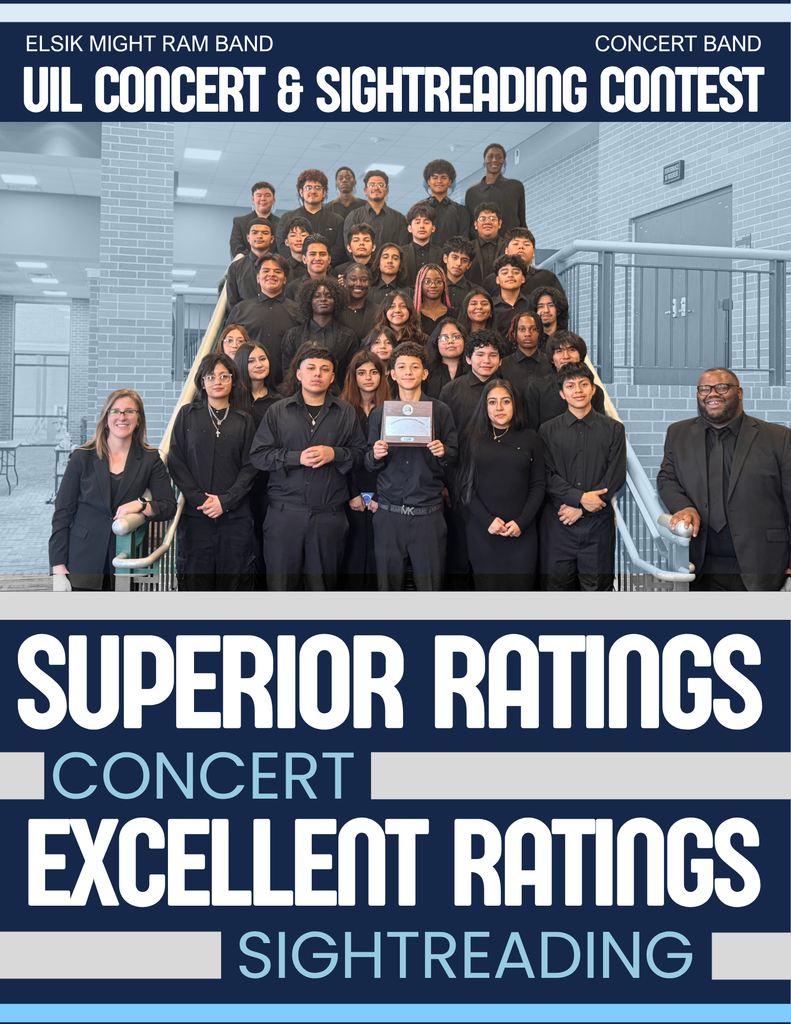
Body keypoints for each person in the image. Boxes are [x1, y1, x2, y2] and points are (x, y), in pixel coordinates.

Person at [657, 367, 791, 592]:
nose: (712, 394)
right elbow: (667, 478)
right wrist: (684, 507)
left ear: (739, 393)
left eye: (721, 387)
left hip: (763, 564)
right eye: (704, 389)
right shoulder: (677, 434)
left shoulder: (779, 438)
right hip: (701, 566)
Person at [249, 343, 366, 591]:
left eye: (325, 369)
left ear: (332, 377)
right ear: (299, 374)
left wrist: (334, 453)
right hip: (284, 515)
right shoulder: (278, 411)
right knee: (281, 589)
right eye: (311, 368)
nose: (317, 374)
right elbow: (259, 456)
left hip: (329, 517)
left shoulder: (345, 411)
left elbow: (359, 455)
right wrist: (296, 458)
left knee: (322, 590)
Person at [50, 389, 176, 591]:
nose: (122, 417)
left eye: (129, 411)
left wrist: (141, 504)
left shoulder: (150, 459)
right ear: (105, 417)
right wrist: (58, 569)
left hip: (125, 558)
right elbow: (62, 514)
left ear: (138, 418)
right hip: (82, 560)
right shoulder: (81, 457)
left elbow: (169, 507)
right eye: (115, 411)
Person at [365, 341, 458, 591]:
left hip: (428, 514)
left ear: (424, 373)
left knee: (431, 589)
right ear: (392, 374)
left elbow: (455, 457)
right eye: (402, 367)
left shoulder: (441, 411)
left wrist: (443, 452)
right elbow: (367, 463)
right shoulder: (379, 414)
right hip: (388, 514)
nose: (408, 372)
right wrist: (375, 455)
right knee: (388, 588)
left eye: (415, 367)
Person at [168, 353, 257, 591]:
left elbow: (250, 467)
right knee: (196, 582)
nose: (217, 381)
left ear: (233, 381)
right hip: (196, 517)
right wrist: (202, 500)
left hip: (235, 518)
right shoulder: (187, 415)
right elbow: (176, 461)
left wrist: (225, 502)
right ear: (202, 382)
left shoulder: (244, 420)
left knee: (235, 582)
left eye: (223, 376)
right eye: (211, 376)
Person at [538, 363, 626, 592]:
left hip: (597, 526)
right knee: (557, 590)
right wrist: (579, 498)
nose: (578, 390)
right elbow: (546, 475)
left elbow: (614, 477)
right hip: (559, 523)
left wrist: (582, 507)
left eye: (583, 384)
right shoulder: (547, 430)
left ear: (593, 389)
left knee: (597, 590)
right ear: (562, 393)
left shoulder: (614, 429)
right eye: (571, 386)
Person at [457, 378, 545, 591]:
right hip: (483, 531)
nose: (499, 408)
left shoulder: (530, 437)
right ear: (484, 406)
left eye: (506, 401)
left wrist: (521, 523)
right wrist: (488, 521)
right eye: (492, 402)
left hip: (521, 532)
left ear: (515, 404)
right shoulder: (472, 437)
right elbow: (465, 486)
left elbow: (538, 484)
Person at [339, 349, 391, 590]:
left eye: (373, 372)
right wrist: (352, 494)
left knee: (379, 559)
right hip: (350, 493)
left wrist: (380, 496)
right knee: (353, 556)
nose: (368, 377)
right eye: (361, 373)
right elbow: (342, 457)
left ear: (382, 375)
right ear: (353, 376)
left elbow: (396, 460)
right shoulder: (342, 410)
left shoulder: (392, 410)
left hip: (386, 495)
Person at [233, 342, 282, 589]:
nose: (259, 365)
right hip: (235, 481)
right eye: (251, 360)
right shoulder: (230, 400)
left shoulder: (279, 402)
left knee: (264, 542)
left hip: (267, 483)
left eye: (262, 359)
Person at [226, 254, 300, 385]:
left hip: (286, 386)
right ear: (258, 278)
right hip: (245, 385)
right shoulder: (240, 310)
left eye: (277, 271)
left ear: (284, 279)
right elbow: (226, 347)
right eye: (266, 271)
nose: (271, 274)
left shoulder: (297, 311)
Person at [280, 276, 359, 386]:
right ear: (308, 301)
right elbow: (288, 372)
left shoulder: (348, 336)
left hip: (338, 397)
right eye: (317, 296)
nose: (323, 299)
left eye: (329, 296)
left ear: (336, 301)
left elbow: (350, 373)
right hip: (301, 396)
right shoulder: (293, 335)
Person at [524, 331, 605, 431]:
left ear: (581, 356)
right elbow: (531, 431)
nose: (566, 356)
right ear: (552, 358)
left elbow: (600, 428)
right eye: (559, 351)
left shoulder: (594, 391)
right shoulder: (535, 389)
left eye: (572, 349)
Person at [439, 328, 508, 434]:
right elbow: (443, 430)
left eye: (493, 355)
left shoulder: (508, 391)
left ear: (500, 362)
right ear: (468, 359)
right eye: (480, 355)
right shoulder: (450, 390)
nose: (487, 360)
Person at [275, 169, 345, 265]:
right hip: (294, 271)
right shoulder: (287, 218)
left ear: (324, 192)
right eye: (308, 187)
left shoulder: (337, 220)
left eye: (317, 187)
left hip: (327, 271)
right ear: (301, 192)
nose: (313, 191)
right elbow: (282, 245)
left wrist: (318, 262)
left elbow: (340, 249)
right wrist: (302, 261)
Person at [464, 142, 526, 237]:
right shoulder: (472, 193)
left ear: (504, 161)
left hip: (509, 246)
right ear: (484, 161)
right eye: (490, 157)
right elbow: (469, 226)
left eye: (499, 157)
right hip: (480, 248)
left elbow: (522, 223)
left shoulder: (515, 187)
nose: (494, 160)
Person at [344, 169, 410, 249]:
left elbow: (402, 249)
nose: (376, 188)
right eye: (371, 185)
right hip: (360, 261)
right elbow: (350, 246)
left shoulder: (399, 219)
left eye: (381, 185)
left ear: (386, 190)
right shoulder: (354, 216)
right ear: (366, 190)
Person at [225, 218, 275, 310]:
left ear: (272, 239)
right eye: (255, 232)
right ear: (248, 238)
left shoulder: (281, 265)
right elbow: (232, 303)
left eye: (265, 233)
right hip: (243, 321)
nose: (259, 236)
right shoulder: (236, 267)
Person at [500, 311, 551, 392]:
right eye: (522, 329)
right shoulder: (503, 366)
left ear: (540, 333)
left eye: (533, 329)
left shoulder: (550, 364)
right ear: (514, 333)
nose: (527, 334)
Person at [423, 159, 470, 246]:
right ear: (428, 181)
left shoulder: (461, 211)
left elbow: (464, 242)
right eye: (435, 177)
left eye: (444, 178)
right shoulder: (419, 209)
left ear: (450, 182)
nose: (439, 181)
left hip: (452, 258)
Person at [229, 181, 279, 258]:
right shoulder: (239, 222)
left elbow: (283, 249)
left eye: (267, 195)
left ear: (273, 199)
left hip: (274, 266)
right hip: (246, 266)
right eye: (258, 195)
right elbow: (236, 248)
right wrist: (253, 261)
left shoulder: (282, 223)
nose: (263, 199)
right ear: (253, 200)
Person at [424, 317, 468, 399]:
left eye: (456, 337)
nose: (450, 341)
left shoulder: (473, 370)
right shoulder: (426, 372)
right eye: (444, 338)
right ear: (436, 343)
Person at [402, 203, 443, 286]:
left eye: (426, 223)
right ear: (409, 228)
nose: (422, 226)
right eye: (417, 222)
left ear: (433, 228)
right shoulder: (401, 253)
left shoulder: (441, 253)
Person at [466, 202, 506, 285]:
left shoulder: (508, 247)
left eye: (492, 219)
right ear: (476, 225)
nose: (487, 222)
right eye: (482, 219)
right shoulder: (467, 249)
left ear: (499, 224)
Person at [284, 234, 334, 300]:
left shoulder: (338, 286)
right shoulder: (292, 288)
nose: (317, 258)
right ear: (304, 259)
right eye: (312, 254)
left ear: (329, 259)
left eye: (322, 254)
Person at [491, 253, 531, 335]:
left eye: (516, 272)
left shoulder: (532, 303)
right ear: (497, 280)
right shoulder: (490, 306)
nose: (510, 275)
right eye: (505, 273)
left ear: (523, 279)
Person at [339, 264, 378, 341]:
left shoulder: (378, 311)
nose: (358, 284)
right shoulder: (336, 310)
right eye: (353, 279)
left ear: (369, 284)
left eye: (364, 280)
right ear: (344, 282)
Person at [414, 264, 454, 336]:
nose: (433, 285)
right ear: (420, 285)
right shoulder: (413, 315)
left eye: (438, 281)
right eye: (427, 282)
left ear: (444, 285)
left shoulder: (454, 314)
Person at [442, 235, 475, 310]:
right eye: (454, 258)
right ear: (445, 258)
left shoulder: (475, 292)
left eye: (464, 260)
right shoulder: (434, 289)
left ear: (469, 265)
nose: (459, 263)